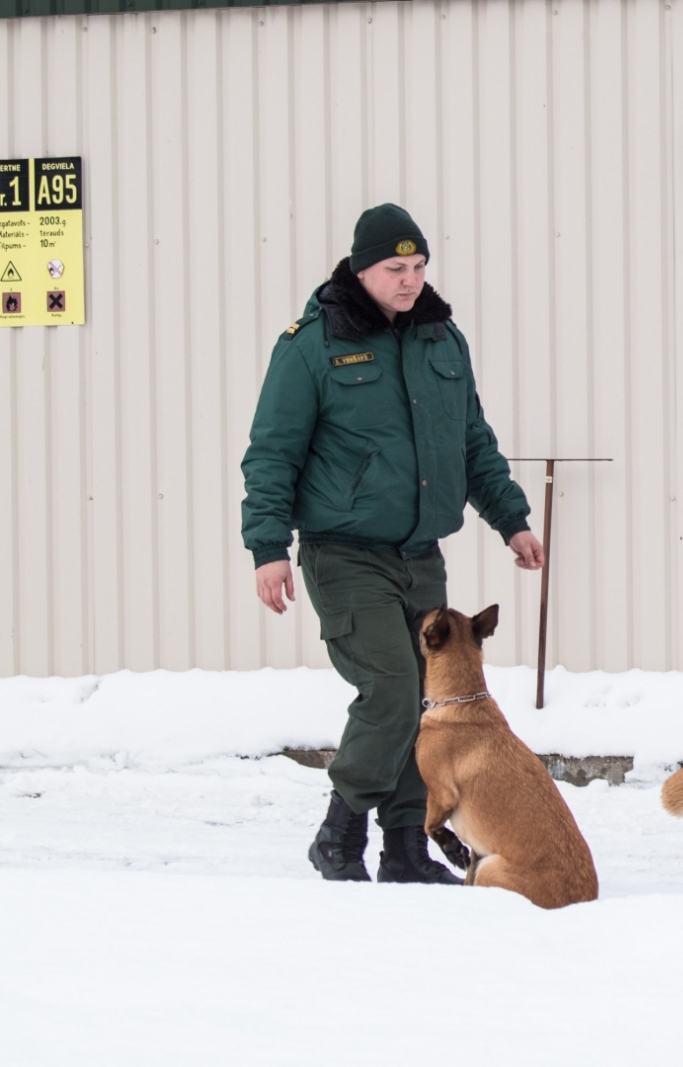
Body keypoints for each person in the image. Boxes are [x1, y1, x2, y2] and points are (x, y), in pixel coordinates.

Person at [241, 204, 543, 884]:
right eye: (393, 269)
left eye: (417, 267)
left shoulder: (441, 340)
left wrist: (512, 520)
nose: (409, 281)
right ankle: (339, 831)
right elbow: (271, 454)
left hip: (418, 554)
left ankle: (405, 845)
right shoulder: (311, 345)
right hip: (343, 551)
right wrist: (267, 547)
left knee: (429, 702)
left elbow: (473, 443)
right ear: (359, 268)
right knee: (392, 686)